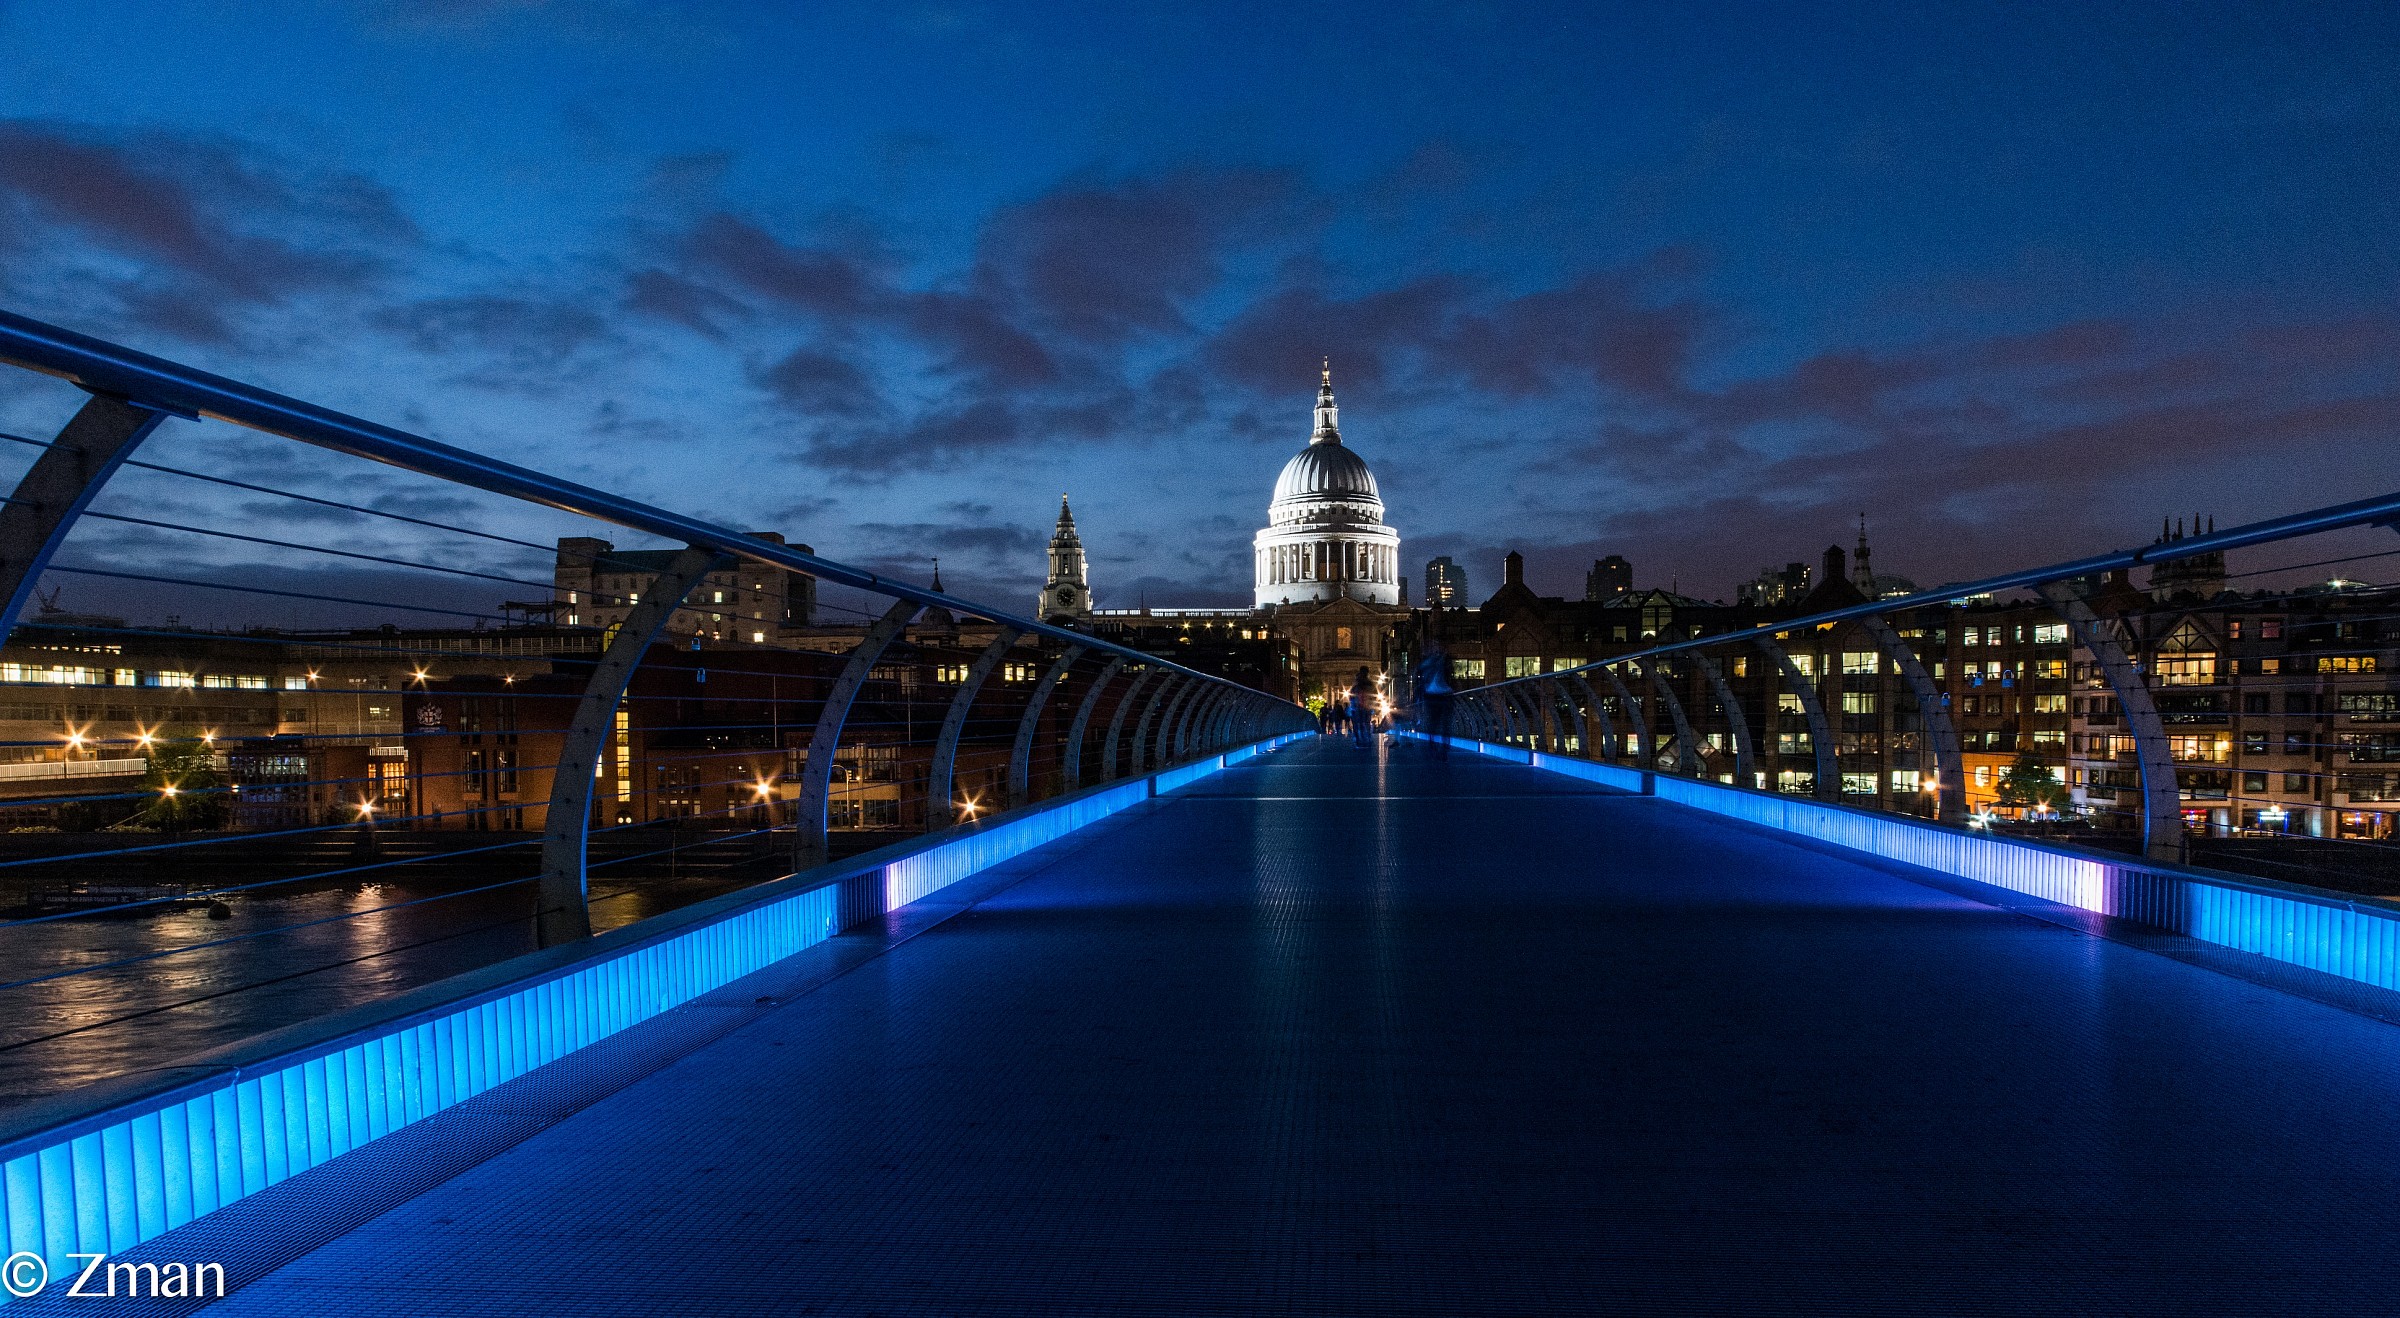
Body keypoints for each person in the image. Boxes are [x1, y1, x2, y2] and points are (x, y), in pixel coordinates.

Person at [1414, 638, 1456, 758]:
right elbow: (1420, 672)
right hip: (1433, 695)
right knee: (1434, 722)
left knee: (1444, 723)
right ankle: (1434, 744)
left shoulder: (1445, 659)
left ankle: (1443, 748)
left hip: (1445, 694)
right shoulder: (1431, 661)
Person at [1347, 666, 1375, 748]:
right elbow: (1374, 696)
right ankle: (1366, 739)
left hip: (1358, 707)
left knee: (1358, 724)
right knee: (1365, 723)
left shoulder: (1357, 682)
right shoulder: (1369, 683)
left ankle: (1359, 739)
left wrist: (1352, 704)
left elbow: (1351, 694)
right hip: (1365, 707)